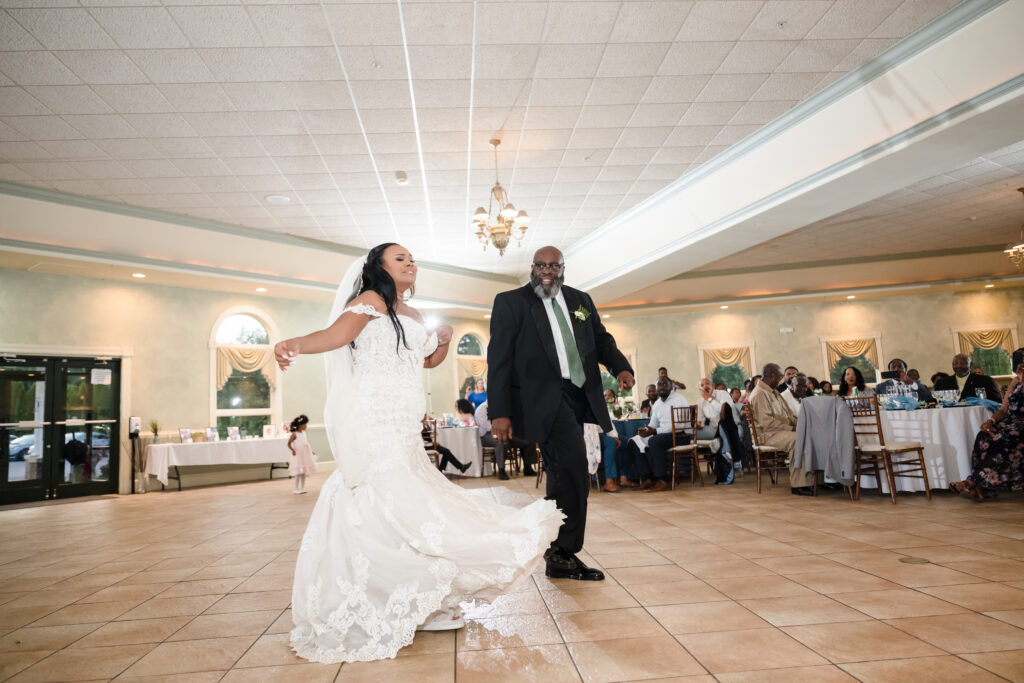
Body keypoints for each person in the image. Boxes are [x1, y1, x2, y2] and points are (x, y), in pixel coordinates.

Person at [275, 243, 562, 662]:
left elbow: (426, 361)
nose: (411, 264)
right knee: (385, 496)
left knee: (413, 498)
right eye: (400, 259)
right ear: (379, 267)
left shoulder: (410, 313)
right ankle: (386, 594)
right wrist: (293, 343)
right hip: (374, 417)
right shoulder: (369, 302)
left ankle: (418, 593)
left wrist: (443, 341)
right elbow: (334, 335)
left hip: (404, 421)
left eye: (412, 259)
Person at [487, 245, 634, 582]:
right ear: (532, 267)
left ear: (562, 267)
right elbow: (499, 359)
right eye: (541, 265)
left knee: (563, 471)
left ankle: (557, 549)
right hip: (541, 398)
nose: (547, 271)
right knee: (572, 467)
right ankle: (563, 551)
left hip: (578, 394)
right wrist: (500, 412)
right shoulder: (511, 302)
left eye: (553, 265)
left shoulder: (580, 300)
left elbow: (601, 340)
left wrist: (620, 367)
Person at [948, 350, 1024, 501]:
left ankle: (973, 482)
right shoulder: (1016, 382)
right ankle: (981, 487)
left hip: (1020, 426)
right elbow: (1003, 409)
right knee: (983, 436)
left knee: (1005, 439)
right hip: (1011, 422)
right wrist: (991, 421)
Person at [748, 363, 810, 496]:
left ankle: (816, 480)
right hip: (767, 435)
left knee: (810, 435)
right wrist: (793, 429)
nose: (781, 380)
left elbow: (789, 415)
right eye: (780, 377)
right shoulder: (759, 394)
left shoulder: (774, 391)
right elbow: (767, 423)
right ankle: (798, 484)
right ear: (771, 376)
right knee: (799, 439)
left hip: (779, 431)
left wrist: (802, 424)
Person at [629, 375, 689, 492]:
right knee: (634, 441)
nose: (661, 387)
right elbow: (653, 425)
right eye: (659, 385)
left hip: (680, 435)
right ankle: (648, 478)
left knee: (654, 441)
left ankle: (663, 480)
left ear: (671, 386)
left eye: (665, 384)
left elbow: (679, 425)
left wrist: (655, 431)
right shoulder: (657, 404)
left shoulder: (679, 400)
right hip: (663, 435)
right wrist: (646, 430)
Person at [475, 400, 536, 480]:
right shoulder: (481, 409)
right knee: (500, 443)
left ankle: (528, 467)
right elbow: (488, 427)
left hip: (506, 433)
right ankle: (501, 470)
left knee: (529, 441)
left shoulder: (503, 408)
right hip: (486, 435)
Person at [933, 353, 1001, 402]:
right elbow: (936, 401)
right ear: (952, 365)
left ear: (971, 365)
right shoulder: (942, 383)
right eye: (955, 363)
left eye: (963, 363)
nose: (959, 366)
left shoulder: (985, 380)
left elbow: (996, 402)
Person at [287, 414, 317, 494]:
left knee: (303, 472)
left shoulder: (304, 433)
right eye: (305, 424)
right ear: (300, 425)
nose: (306, 426)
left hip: (305, 455)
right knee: (298, 472)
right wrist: (292, 450)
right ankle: (296, 488)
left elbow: (305, 443)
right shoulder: (295, 434)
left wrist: (311, 451)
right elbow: (289, 443)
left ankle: (303, 488)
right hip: (298, 455)